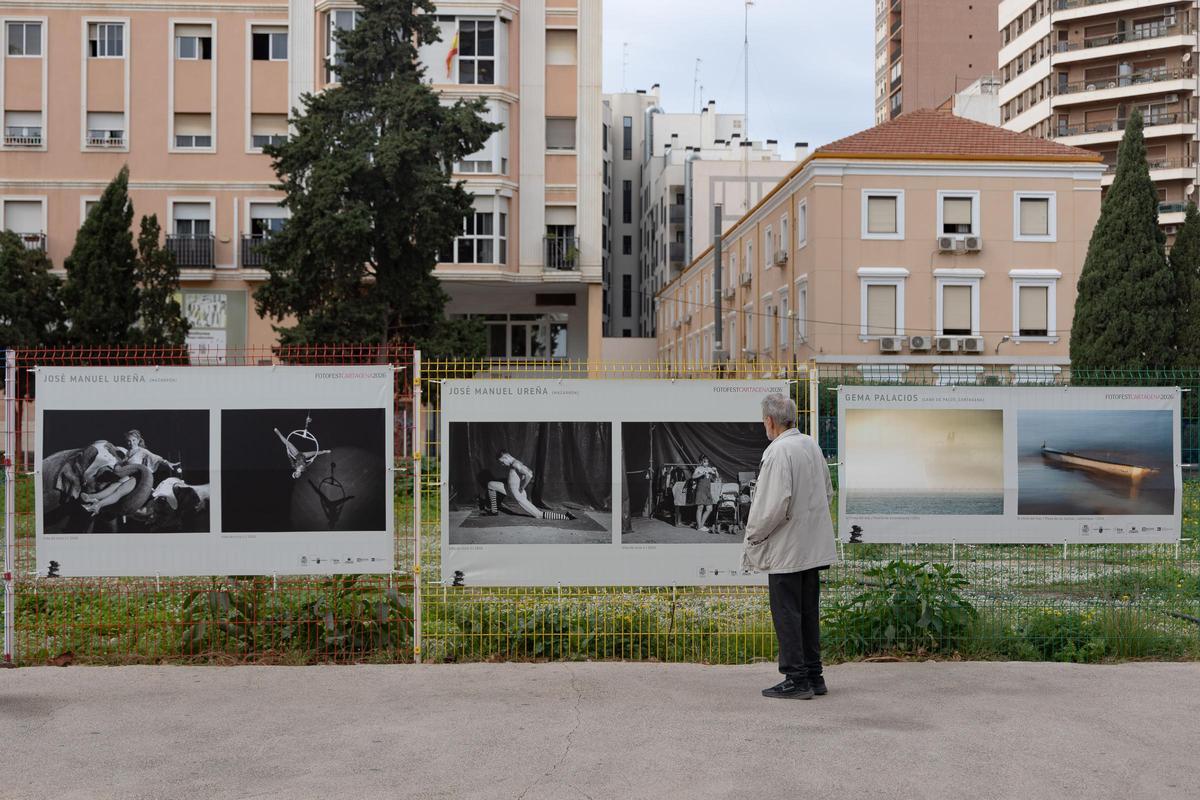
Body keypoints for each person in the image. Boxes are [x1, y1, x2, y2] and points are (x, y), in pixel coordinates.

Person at [743, 393, 837, 700]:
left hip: (786, 549)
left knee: (786, 613)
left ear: (769, 421)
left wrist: (753, 535)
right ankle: (814, 675)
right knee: (808, 612)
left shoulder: (777, 452)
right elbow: (828, 491)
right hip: (812, 547)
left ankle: (796, 679)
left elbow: (772, 505)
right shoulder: (810, 444)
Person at [484, 449, 574, 521]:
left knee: (538, 515)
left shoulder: (516, 464)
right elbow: (529, 471)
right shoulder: (514, 464)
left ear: (506, 457)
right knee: (491, 484)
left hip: (517, 495)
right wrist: (521, 478)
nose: (502, 464)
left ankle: (566, 516)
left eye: (502, 462)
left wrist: (522, 487)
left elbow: (529, 475)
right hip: (509, 490)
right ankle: (494, 511)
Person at [692, 455, 719, 533]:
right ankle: (699, 527)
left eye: (707, 462)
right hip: (700, 490)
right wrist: (702, 473)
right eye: (704, 461)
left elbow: (717, 477)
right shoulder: (698, 469)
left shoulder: (709, 469)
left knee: (709, 509)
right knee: (700, 508)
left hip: (707, 491)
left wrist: (716, 471)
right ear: (701, 462)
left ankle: (700, 526)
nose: (706, 463)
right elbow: (693, 476)